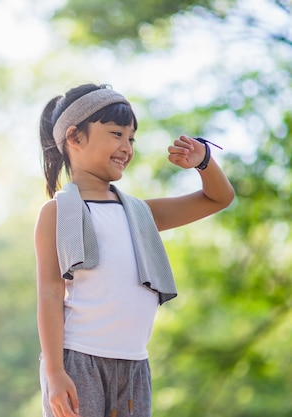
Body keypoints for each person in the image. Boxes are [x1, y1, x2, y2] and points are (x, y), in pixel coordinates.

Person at [34, 83, 234, 417]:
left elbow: (219, 198)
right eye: (116, 133)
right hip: (78, 360)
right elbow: (50, 294)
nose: (126, 147)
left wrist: (204, 162)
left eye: (131, 138)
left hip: (134, 364)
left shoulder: (140, 213)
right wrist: (55, 373)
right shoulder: (57, 212)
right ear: (74, 138)